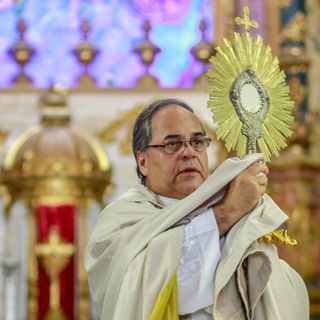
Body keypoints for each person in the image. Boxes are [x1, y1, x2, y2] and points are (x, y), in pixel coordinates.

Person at [85, 99, 309, 320]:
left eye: (197, 142)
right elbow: (154, 289)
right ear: (143, 162)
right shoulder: (120, 221)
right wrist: (228, 212)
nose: (188, 152)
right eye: (172, 144)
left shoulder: (234, 207)